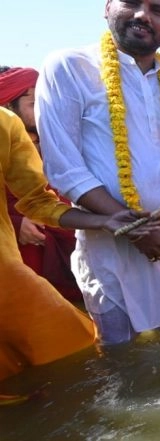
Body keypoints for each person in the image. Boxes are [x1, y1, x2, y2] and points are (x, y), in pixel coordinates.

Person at [35, 0, 160, 344]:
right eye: (132, 2)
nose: (143, 15)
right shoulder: (69, 67)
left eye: (157, 9)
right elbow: (64, 165)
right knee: (118, 352)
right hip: (110, 241)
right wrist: (136, 228)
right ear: (107, 7)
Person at [0, 107, 151, 381]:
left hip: (7, 286)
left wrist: (105, 220)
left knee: (74, 360)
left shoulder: (4, 123)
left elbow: (36, 201)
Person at [0, 67, 82, 301]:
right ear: (7, 107)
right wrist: (16, 223)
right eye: (34, 103)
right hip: (22, 246)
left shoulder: (55, 140)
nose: (43, 110)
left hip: (66, 241)